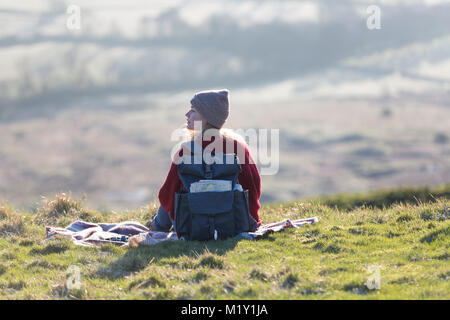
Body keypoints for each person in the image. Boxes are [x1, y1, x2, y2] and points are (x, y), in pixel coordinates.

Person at [147, 89, 262, 233]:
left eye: (193, 111)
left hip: (193, 227)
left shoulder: (187, 150)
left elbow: (166, 195)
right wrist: (251, 220)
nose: (187, 115)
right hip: (236, 223)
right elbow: (254, 188)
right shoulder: (238, 146)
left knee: (173, 192)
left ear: (207, 118)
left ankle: (156, 227)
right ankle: (157, 226)